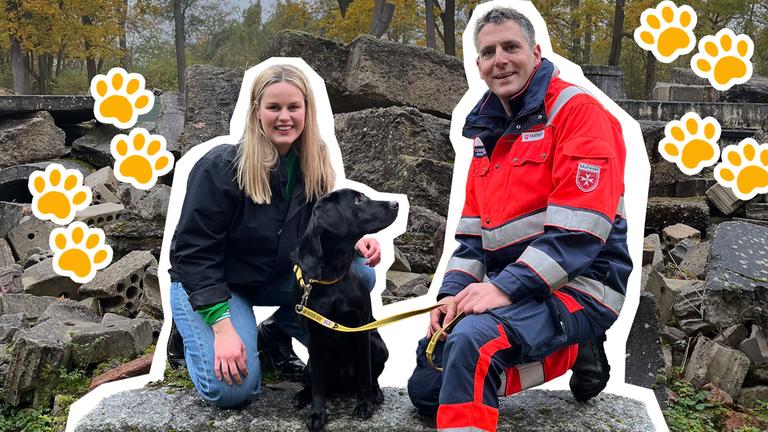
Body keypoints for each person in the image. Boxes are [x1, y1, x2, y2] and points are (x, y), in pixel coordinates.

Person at [407, 7, 632, 431]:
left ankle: (578, 336)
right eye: (488, 52)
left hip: (583, 285)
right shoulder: (486, 131)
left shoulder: (579, 113)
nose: (500, 60)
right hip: (516, 289)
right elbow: (472, 239)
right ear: (479, 65)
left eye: (510, 47)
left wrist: (501, 289)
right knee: (428, 386)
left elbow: (580, 233)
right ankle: (572, 349)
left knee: (473, 344)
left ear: (536, 53)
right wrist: (451, 297)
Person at [167, 64, 381, 407]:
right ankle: (191, 334)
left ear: (307, 110)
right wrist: (222, 329)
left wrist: (354, 242)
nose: (285, 117)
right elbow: (193, 253)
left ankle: (274, 334)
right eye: (274, 107)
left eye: (293, 107)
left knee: (360, 274)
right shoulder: (219, 167)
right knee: (232, 390)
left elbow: (316, 227)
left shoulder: (314, 162)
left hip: (271, 275)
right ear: (257, 112)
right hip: (214, 282)